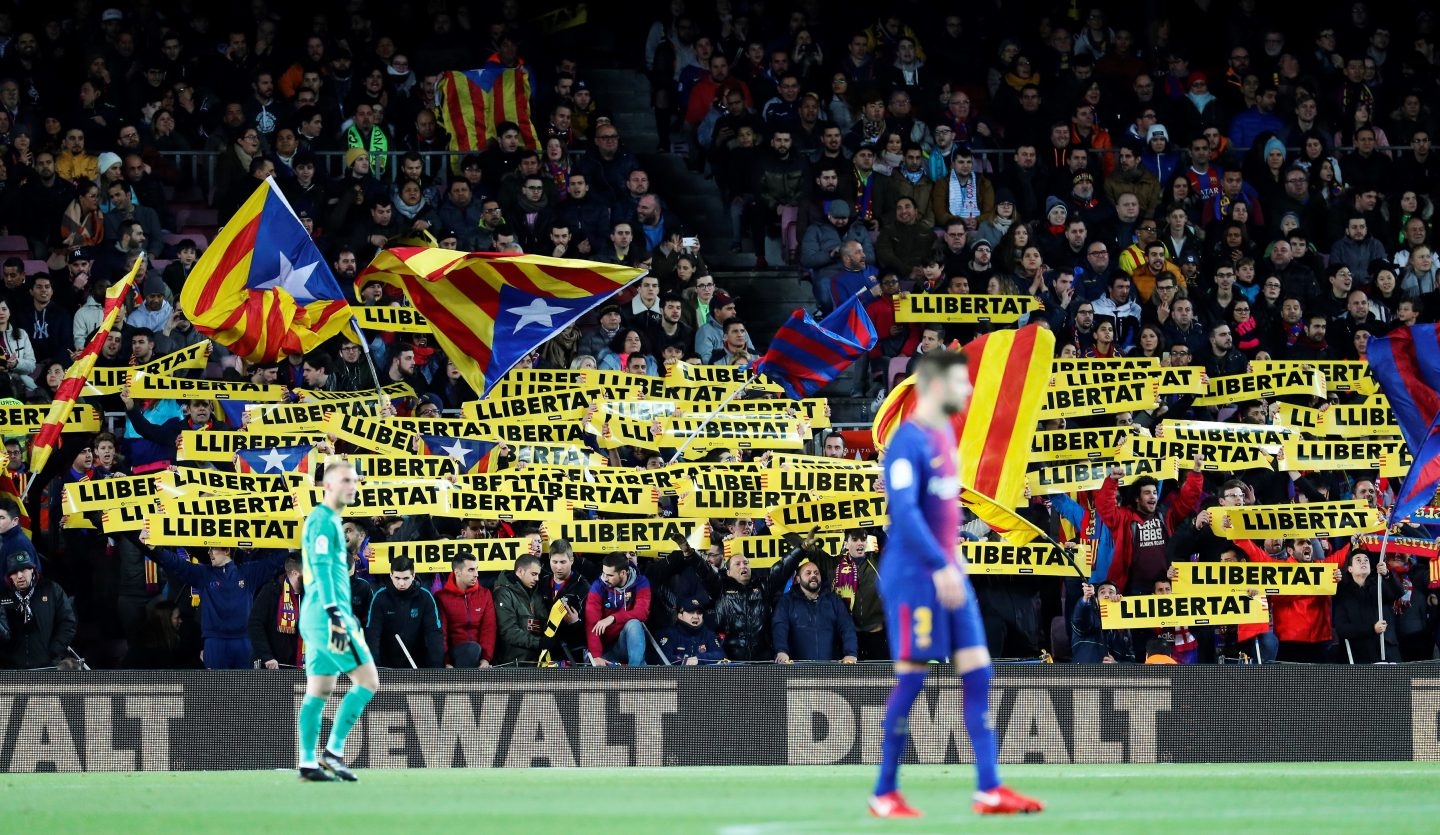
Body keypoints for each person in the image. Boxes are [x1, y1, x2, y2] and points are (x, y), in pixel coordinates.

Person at [869, 350, 1043, 818]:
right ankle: (884, 792)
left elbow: (944, 513)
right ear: (933, 386)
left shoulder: (945, 435)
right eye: (960, 384)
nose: (968, 391)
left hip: (951, 571)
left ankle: (990, 788)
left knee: (979, 673)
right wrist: (939, 565)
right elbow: (903, 515)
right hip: (915, 578)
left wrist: (954, 561)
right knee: (912, 680)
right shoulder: (907, 443)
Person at [295, 459, 379, 782]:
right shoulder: (323, 521)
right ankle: (333, 751)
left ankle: (307, 762)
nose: (352, 486)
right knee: (368, 681)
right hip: (324, 615)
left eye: (355, 480)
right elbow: (321, 569)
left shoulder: (329, 520)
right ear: (327, 485)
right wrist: (335, 615)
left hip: (316, 616)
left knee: (319, 690)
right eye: (345, 480)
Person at [137, 533, 286, 670]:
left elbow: (274, 562)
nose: (209, 553)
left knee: (244, 692)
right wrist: (154, 548)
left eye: (212, 549)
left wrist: (295, 543)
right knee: (215, 694)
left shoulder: (248, 573)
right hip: (215, 642)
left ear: (226, 550)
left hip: (243, 641)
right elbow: (176, 563)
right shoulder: (203, 575)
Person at [0, 551, 77, 669]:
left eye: (24, 570)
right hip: (11, 669)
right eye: (14, 572)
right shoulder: (3, 595)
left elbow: (67, 622)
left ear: (32, 569)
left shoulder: (51, 590)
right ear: (10, 576)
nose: (20, 575)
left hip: (46, 666)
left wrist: (54, 650)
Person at [364, 555, 444, 668]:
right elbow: (373, 635)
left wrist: (437, 668)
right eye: (397, 578)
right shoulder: (380, 598)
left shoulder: (425, 597)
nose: (401, 583)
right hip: (386, 666)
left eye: (406, 578)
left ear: (413, 576)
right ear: (391, 575)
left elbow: (434, 634)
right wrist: (374, 667)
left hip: (419, 665)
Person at [772, 558, 858, 663]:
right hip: (797, 671)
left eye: (816, 573)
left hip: (830, 670)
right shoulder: (786, 601)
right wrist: (781, 651)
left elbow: (847, 627)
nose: (813, 575)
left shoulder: (834, 600)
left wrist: (851, 653)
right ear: (798, 579)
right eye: (808, 573)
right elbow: (779, 627)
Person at [586, 552, 652, 666]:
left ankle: (634, 675)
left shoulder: (641, 582)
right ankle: (640, 670)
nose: (605, 578)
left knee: (634, 624)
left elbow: (642, 612)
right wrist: (596, 656)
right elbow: (591, 622)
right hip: (608, 651)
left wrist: (613, 617)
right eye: (604, 573)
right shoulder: (598, 586)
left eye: (610, 575)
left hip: (632, 643)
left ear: (623, 573)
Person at [493, 553, 559, 666]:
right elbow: (509, 631)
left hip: (539, 660)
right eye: (533, 574)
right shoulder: (503, 593)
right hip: (513, 663)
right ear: (520, 571)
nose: (537, 579)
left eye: (538, 575)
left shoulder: (537, 592)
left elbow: (544, 621)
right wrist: (539, 642)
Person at [435, 554, 497, 668]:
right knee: (471, 649)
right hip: (454, 655)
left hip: (480, 655)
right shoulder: (441, 597)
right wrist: (446, 662)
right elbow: (441, 633)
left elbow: (489, 629)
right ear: (457, 572)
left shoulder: (485, 594)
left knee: (474, 649)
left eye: (476, 569)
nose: (476, 574)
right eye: (471, 570)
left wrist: (486, 659)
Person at [248, 555, 305, 669]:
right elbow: (255, 624)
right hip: (272, 665)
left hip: (299, 665)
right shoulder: (271, 591)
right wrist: (266, 656)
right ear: (294, 573)